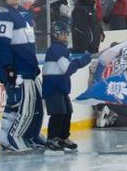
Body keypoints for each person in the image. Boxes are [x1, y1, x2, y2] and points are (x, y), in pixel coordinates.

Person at [0, 0, 44, 152]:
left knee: (33, 106)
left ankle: (30, 135)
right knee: (17, 104)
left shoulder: (23, 14)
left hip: (29, 69)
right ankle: (8, 138)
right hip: (17, 69)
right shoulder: (3, 15)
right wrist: (9, 68)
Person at [42, 19, 92, 153]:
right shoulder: (56, 49)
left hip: (60, 87)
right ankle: (52, 138)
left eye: (66, 33)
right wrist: (81, 61)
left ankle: (63, 137)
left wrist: (80, 61)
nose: (64, 36)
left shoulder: (62, 49)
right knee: (58, 114)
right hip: (53, 88)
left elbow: (66, 69)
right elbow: (67, 69)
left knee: (67, 112)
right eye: (61, 33)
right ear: (55, 35)